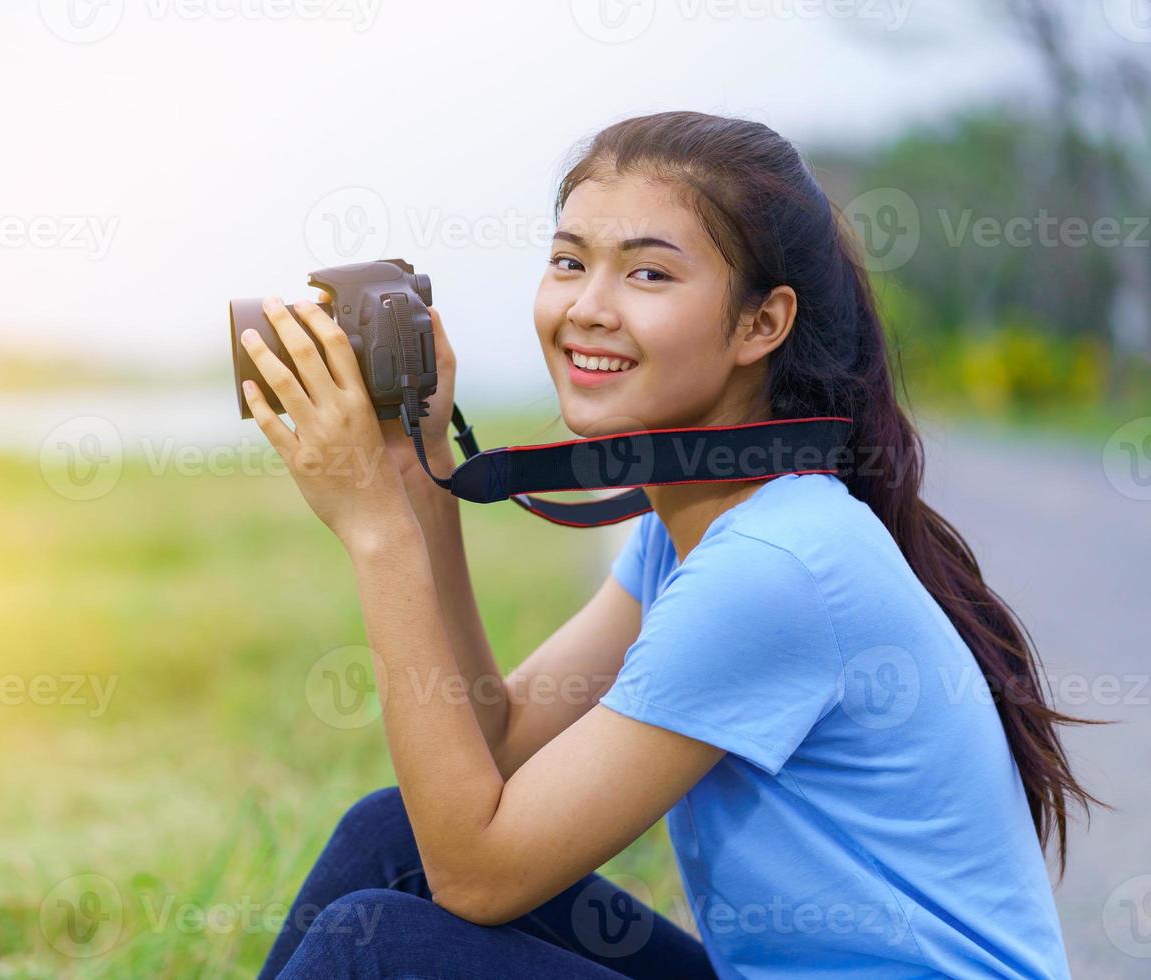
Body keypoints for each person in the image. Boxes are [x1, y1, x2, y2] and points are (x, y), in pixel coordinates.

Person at [237, 111, 1093, 978]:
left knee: (372, 949)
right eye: (570, 262)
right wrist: (415, 478)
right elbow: (498, 741)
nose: (587, 309)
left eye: (648, 272)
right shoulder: (700, 533)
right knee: (388, 837)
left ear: (763, 325)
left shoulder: (775, 566)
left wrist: (377, 532)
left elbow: (478, 875)